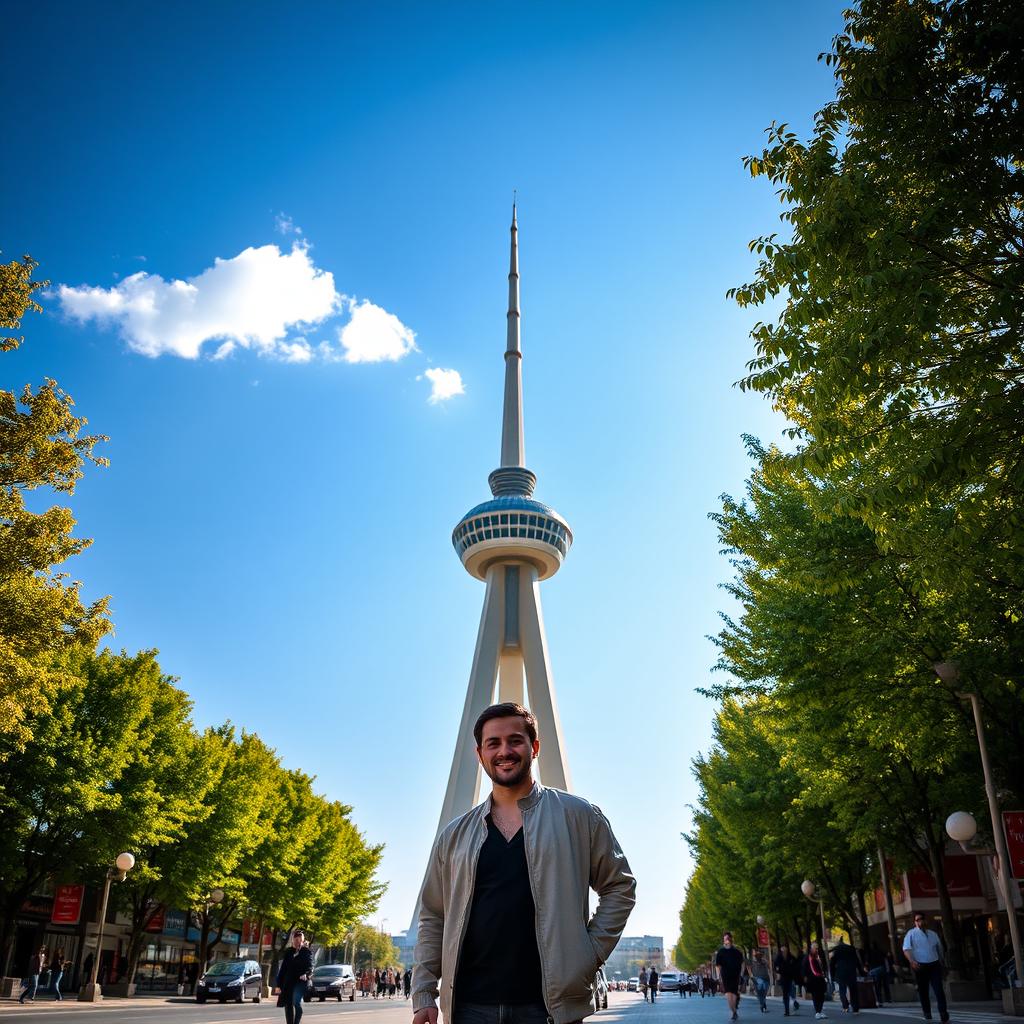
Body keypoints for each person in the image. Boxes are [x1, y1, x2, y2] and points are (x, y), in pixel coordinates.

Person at [411, 701, 636, 1024]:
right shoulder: (454, 837)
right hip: (469, 1008)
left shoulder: (579, 817)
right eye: (494, 743)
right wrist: (423, 993)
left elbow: (620, 887)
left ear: (535, 747)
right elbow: (433, 915)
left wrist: (588, 954)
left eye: (515, 740)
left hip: (549, 1008)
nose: (505, 751)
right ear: (480, 754)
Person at [902, 912, 949, 1024]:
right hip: (920, 965)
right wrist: (912, 961)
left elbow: (939, 949)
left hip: (934, 964)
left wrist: (942, 962)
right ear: (915, 922)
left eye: (921, 919)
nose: (919, 922)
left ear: (925, 921)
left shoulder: (933, 934)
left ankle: (943, 1014)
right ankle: (927, 1012)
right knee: (923, 991)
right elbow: (906, 949)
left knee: (939, 990)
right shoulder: (911, 934)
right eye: (917, 920)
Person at [274, 929, 314, 1024]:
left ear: (302, 941)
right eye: (295, 940)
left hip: (301, 982)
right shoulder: (289, 952)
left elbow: (311, 966)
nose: (297, 942)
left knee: (296, 1001)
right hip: (288, 982)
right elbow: (283, 969)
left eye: (299, 940)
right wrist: (278, 985)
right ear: (292, 940)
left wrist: (307, 974)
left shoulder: (306, 952)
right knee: (288, 1004)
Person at [716, 932, 745, 1022]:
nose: (727, 940)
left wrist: (741, 974)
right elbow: (718, 965)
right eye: (725, 939)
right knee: (728, 993)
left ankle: (734, 1012)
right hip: (725, 975)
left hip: (735, 975)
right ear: (723, 941)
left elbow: (742, 963)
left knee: (734, 993)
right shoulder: (721, 952)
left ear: (731, 940)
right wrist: (718, 977)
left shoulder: (737, 951)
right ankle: (734, 1011)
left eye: (728, 938)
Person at [829, 938, 860, 1014]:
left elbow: (832, 963)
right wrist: (861, 971)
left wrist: (832, 975)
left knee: (842, 989)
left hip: (841, 971)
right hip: (851, 971)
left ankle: (845, 1006)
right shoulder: (851, 949)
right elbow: (857, 960)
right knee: (853, 990)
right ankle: (855, 1008)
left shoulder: (837, 950)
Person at [801, 942, 828, 1020]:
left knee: (822, 996)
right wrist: (804, 977)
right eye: (815, 948)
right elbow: (803, 968)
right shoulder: (807, 958)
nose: (816, 950)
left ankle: (820, 1010)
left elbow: (822, 967)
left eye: (817, 948)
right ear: (811, 949)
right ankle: (817, 1012)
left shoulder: (818, 957)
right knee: (816, 996)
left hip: (820, 979)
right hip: (812, 980)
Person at [774, 944, 800, 1016]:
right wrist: (777, 973)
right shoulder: (778, 958)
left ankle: (794, 1002)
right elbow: (775, 965)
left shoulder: (791, 957)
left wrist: (795, 975)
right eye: (783, 950)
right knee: (785, 994)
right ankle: (787, 1010)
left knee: (790, 991)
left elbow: (796, 965)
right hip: (783, 978)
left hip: (790, 978)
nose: (784, 951)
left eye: (785, 949)